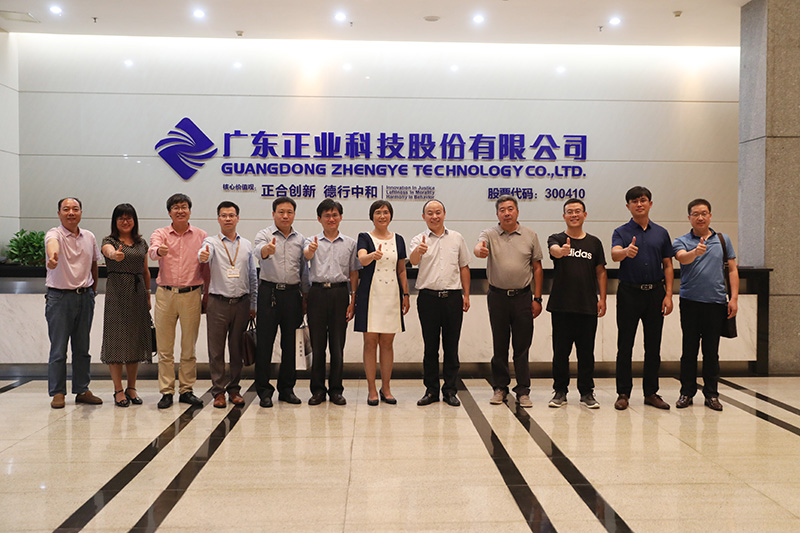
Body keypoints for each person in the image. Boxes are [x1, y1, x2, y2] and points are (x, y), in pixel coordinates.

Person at [474, 194, 543, 408]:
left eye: (510, 209)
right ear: (497, 214)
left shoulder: (530, 235)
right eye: (502, 210)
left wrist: (537, 298)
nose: (506, 213)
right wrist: (480, 251)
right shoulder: (489, 234)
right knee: (500, 344)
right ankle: (500, 388)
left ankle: (523, 390)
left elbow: (537, 268)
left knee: (522, 346)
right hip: (497, 297)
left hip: (523, 297)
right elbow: (478, 247)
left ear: (517, 212)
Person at [610, 186, 674, 411]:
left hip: (656, 293)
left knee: (653, 345)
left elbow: (668, 264)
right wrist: (625, 252)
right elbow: (614, 254)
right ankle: (623, 393)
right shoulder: (621, 232)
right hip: (629, 292)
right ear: (628, 206)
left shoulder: (661, 233)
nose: (639, 204)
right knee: (625, 345)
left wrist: (668, 295)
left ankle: (651, 393)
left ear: (650, 204)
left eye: (643, 200)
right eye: (634, 201)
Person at [673, 199, 738, 411]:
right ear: (689, 218)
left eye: (704, 213)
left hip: (716, 303)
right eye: (695, 214)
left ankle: (711, 394)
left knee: (711, 351)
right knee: (689, 350)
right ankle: (686, 392)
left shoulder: (723, 240)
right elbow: (682, 259)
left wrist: (734, 299)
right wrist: (695, 252)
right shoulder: (681, 241)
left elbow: (732, 270)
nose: (700, 217)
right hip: (690, 303)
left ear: (710, 216)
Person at [408, 200, 471, 407]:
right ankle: (431, 390)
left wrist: (466, 294)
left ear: (444, 214)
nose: (434, 216)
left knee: (451, 347)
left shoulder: (456, 238)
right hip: (428, 299)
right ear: (423, 216)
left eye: (437, 212)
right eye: (429, 213)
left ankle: (450, 390)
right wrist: (419, 250)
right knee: (430, 347)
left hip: (453, 298)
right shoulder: (418, 239)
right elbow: (413, 261)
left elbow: (464, 267)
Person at [546, 198, 607, 409]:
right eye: (570, 212)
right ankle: (560, 391)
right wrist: (561, 251)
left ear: (584, 215)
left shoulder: (594, 243)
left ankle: (587, 392)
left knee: (586, 353)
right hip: (562, 306)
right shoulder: (556, 238)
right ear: (564, 216)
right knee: (560, 352)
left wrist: (603, 298)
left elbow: (601, 271)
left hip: (587, 306)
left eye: (577, 211)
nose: (574, 215)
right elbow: (553, 250)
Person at [149, 193, 208, 409]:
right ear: (169, 212)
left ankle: (186, 390)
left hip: (192, 294)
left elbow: (207, 261)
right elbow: (152, 251)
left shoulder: (201, 235)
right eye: (176, 207)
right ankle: (166, 391)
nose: (180, 211)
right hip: (165, 294)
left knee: (188, 346)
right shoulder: (160, 233)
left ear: (189, 211)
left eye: (184, 207)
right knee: (165, 348)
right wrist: (159, 251)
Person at [45, 197, 103, 408]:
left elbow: (94, 264)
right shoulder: (54, 234)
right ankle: (58, 392)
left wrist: (92, 291)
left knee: (82, 348)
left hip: (85, 297)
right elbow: (52, 245)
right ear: (59, 213)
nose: (71, 212)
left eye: (75, 209)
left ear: (81, 212)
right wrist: (53, 257)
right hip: (59, 298)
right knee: (58, 349)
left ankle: (82, 390)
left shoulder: (89, 236)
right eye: (66, 209)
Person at [199, 201, 257, 409]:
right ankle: (218, 391)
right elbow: (203, 254)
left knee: (236, 350)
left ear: (237, 218)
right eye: (224, 215)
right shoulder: (211, 242)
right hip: (218, 303)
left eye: (231, 215)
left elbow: (252, 276)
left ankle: (234, 389)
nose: (228, 219)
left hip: (242, 303)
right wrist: (202, 255)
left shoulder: (247, 245)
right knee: (216, 350)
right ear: (218, 219)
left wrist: (253, 304)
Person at [303, 199, 360, 406]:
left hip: (339, 294)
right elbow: (306, 258)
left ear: (341, 217)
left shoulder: (350, 243)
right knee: (318, 347)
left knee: (337, 346)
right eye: (326, 215)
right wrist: (310, 251)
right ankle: (317, 390)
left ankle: (336, 390)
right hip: (317, 294)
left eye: (335, 215)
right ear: (319, 218)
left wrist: (353, 300)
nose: (331, 219)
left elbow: (353, 272)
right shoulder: (310, 241)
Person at [354, 200, 410, 406]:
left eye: (385, 212)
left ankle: (386, 388)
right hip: (370, 295)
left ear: (390, 216)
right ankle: (371, 389)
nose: (382, 216)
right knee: (370, 343)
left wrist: (406, 294)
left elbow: (401, 269)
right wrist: (372, 255)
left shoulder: (399, 239)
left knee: (387, 343)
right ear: (372, 216)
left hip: (392, 295)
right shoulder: (364, 237)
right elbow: (362, 260)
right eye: (378, 212)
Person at [254, 196, 308, 408]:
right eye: (281, 212)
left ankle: (287, 389)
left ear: (294, 214)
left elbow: (303, 271)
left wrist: (305, 297)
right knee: (265, 344)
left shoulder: (301, 239)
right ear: (273, 214)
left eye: (289, 212)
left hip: (293, 295)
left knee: (290, 344)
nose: (285, 216)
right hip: (269, 293)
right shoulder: (264, 235)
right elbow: (259, 252)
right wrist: (267, 250)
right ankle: (264, 391)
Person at [100, 203, 152, 407]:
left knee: (134, 341)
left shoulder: (141, 243)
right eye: (121, 218)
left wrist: (148, 295)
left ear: (134, 220)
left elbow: (145, 271)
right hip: (117, 294)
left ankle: (132, 388)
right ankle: (118, 390)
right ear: (115, 221)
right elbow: (108, 251)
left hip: (138, 294)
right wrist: (114, 255)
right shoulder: (109, 241)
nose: (125, 221)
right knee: (115, 341)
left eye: (129, 217)